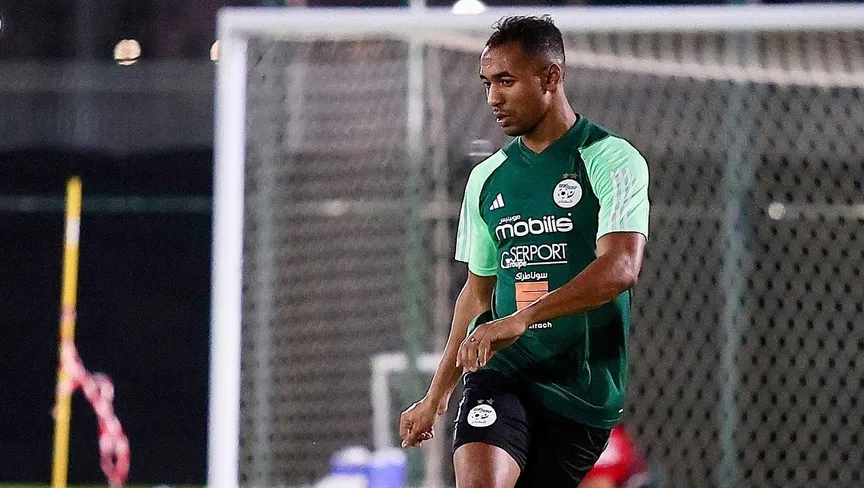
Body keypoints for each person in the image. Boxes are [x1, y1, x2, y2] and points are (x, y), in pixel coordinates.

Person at [398, 14, 650, 488]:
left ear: (551, 77)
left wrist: (522, 318)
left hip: (583, 391)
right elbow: (476, 295)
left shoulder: (610, 158)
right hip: (503, 372)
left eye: (506, 81)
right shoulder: (487, 178)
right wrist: (437, 395)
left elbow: (620, 267)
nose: (493, 97)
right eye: (487, 83)